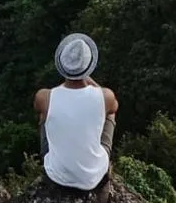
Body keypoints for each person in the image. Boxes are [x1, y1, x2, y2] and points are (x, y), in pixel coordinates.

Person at [34, 32, 117, 192]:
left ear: (62, 65)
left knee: (45, 114)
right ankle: (98, 158)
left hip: (56, 177)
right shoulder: (105, 96)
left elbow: (40, 109)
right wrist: (87, 78)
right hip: (93, 178)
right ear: (89, 65)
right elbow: (113, 107)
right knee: (110, 112)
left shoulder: (44, 96)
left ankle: (58, 157)